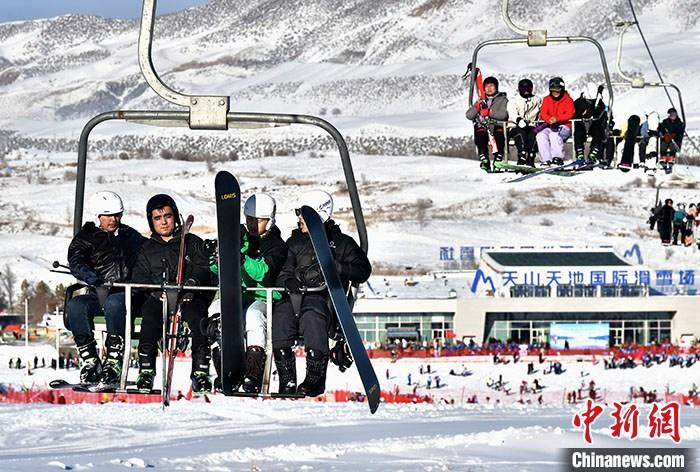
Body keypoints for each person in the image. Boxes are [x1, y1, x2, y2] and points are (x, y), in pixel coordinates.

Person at [272, 190, 372, 397]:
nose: (298, 218)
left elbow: (363, 271)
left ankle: (314, 378)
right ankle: (287, 378)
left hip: (325, 302)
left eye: (301, 213)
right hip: (295, 298)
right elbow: (284, 271)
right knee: (281, 315)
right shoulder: (295, 243)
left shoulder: (341, 243)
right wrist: (287, 281)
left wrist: (339, 268)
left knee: (312, 316)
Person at [132, 194, 214, 393]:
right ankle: (146, 370)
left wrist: (192, 283)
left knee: (199, 320)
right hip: (158, 298)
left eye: (167, 216)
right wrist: (154, 289)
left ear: (175, 216)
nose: (163, 222)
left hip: (188, 297)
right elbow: (139, 276)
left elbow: (204, 268)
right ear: (151, 221)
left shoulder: (191, 242)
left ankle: (200, 371)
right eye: (157, 218)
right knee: (150, 319)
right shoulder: (146, 249)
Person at [208, 193, 287, 393]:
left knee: (253, 315)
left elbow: (264, 273)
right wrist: (215, 258)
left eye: (258, 220)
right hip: (238, 295)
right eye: (249, 219)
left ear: (270, 221)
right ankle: (224, 368)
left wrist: (240, 258)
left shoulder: (277, 245)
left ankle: (253, 372)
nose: (252, 224)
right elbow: (218, 271)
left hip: (263, 297)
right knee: (214, 310)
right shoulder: (238, 237)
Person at [66, 191, 145, 385]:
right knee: (76, 304)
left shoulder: (130, 236)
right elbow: (76, 259)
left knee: (114, 302)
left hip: (126, 294)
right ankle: (90, 359)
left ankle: (114, 359)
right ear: (98, 215)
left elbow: (150, 252)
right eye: (108, 216)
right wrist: (88, 274)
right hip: (99, 293)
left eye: (117, 215)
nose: (113, 220)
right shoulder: (86, 237)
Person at [465, 76, 508, 172]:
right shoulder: (481, 100)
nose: (489, 88)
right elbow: (469, 115)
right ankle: (484, 158)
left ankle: (498, 158)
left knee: (499, 134)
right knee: (480, 134)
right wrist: (477, 107)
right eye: (487, 86)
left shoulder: (503, 100)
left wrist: (489, 112)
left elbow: (504, 115)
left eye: (491, 86)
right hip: (484, 126)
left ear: (496, 87)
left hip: (497, 125)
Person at [535, 77, 575, 166]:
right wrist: (549, 119)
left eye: (557, 90)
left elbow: (570, 113)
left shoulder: (568, 100)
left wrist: (557, 119)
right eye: (553, 90)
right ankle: (546, 159)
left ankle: (557, 158)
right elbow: (543, 113)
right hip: (550, 125)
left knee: (554, 134)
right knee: (540, 135)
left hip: (564, 126)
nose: (555, 92)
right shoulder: (547, 99)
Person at [506, 78, 541, 166]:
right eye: (523, 89)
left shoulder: (536, 100)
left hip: (531, 125)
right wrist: (519, 120)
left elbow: (542, 110)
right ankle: (522, 156)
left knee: (534, 134)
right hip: (515, 126)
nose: (526, 91)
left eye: (528, 89)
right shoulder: (514, 100)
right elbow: (512, 112)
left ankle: (531, 157)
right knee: (521, 134)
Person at [572, 84, 607, 163]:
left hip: (594, 124)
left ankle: (593, 154)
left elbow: (602, 115)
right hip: (581, 124)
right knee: (578, 133)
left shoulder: (599, 103)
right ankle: (580, 154)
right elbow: (574, 114)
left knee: (598, 133)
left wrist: (596, 116)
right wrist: (581, 117)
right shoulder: (578, 103)